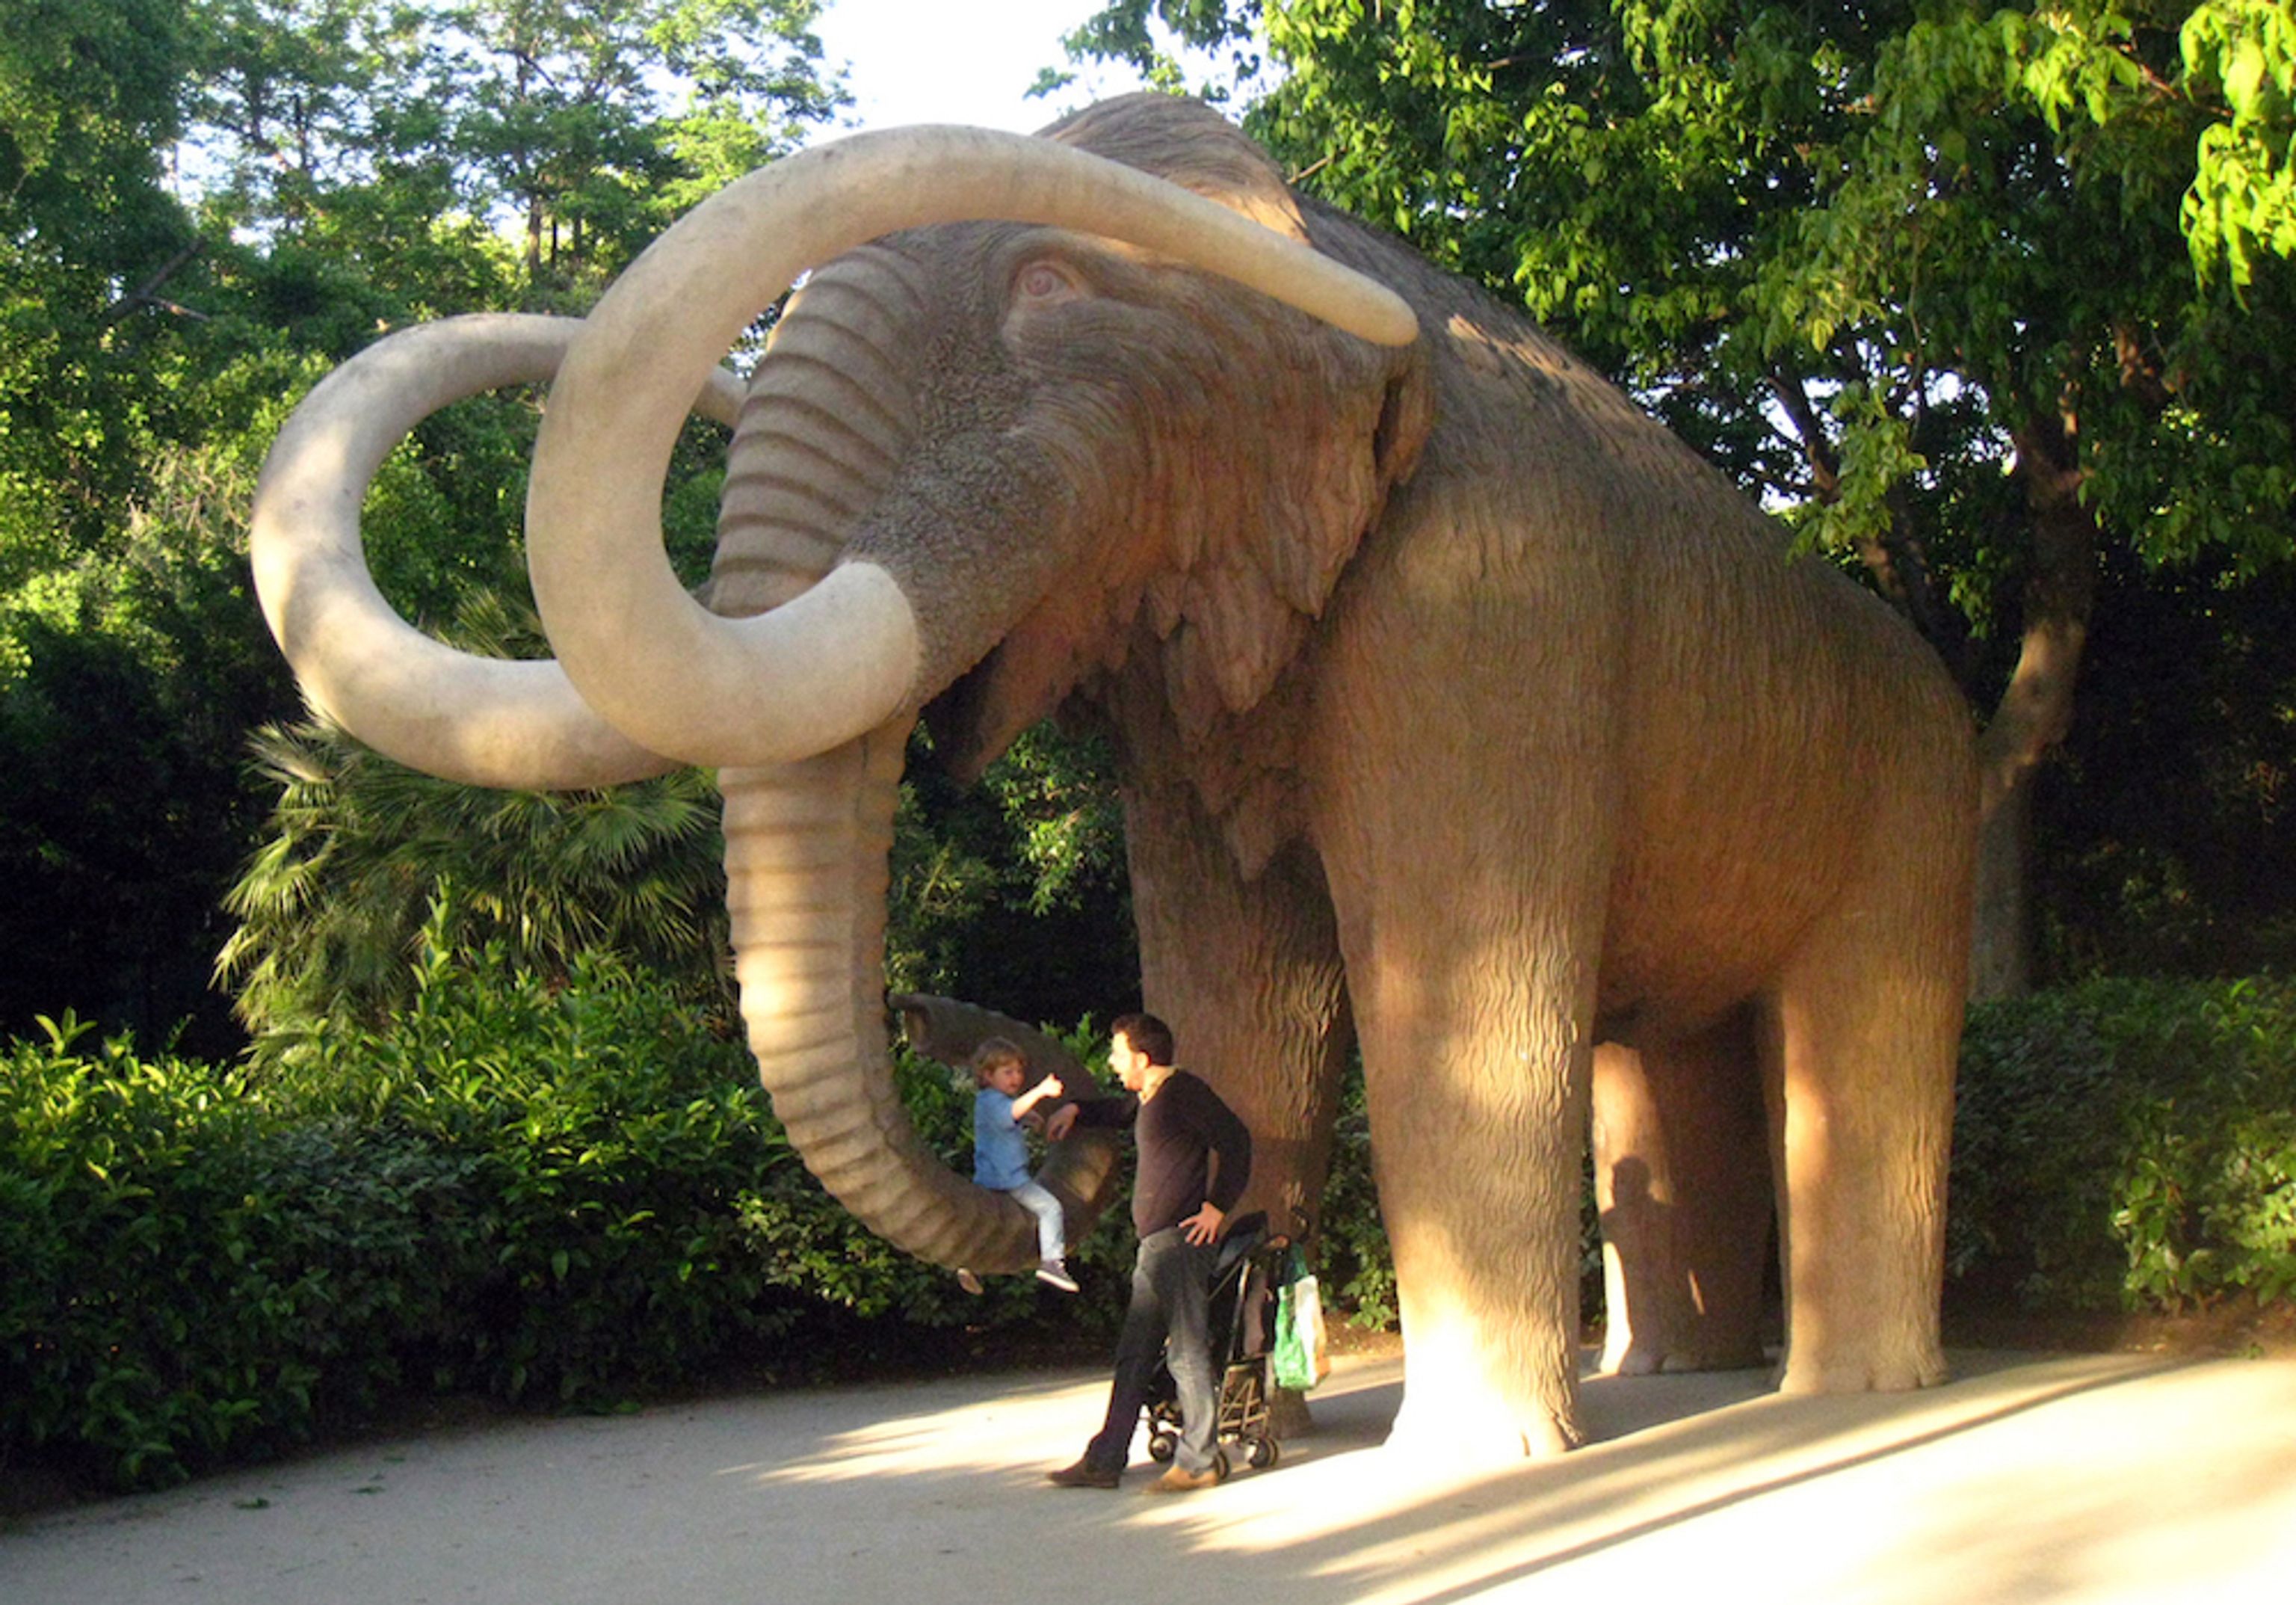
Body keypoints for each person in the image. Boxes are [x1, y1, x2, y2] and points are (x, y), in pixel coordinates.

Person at [1043, 1011, 1253, 1494]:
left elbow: (1236, 1141)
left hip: (1180, 1245)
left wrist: (1217, 1207)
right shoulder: (1151, 1098)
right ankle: (1104, 1460)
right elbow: (1122, 1110)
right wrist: (1077, 1109)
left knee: (1186, 1352)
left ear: (1141, 1057)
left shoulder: (1183, 1091)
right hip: (1155, 1249)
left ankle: (1200, 1461)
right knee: (1134, 1355)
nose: (1113, 1062)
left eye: (1118, 1053)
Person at [962, 1037, 1078, 1293]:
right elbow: (1009, 1113)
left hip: (989, 1178)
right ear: (988, 1075)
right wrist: (1041, 1091)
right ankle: (1052, 1262)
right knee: (1050, 1209)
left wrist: (1027, 1117)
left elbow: (1009, 1115)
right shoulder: (993, 1102)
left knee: (992, 1224)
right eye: (1008, 1072)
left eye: (1018, 1071)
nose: (1016, 1077)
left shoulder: (990, 1101)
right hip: (1009, 1180)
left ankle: (970, 1264)